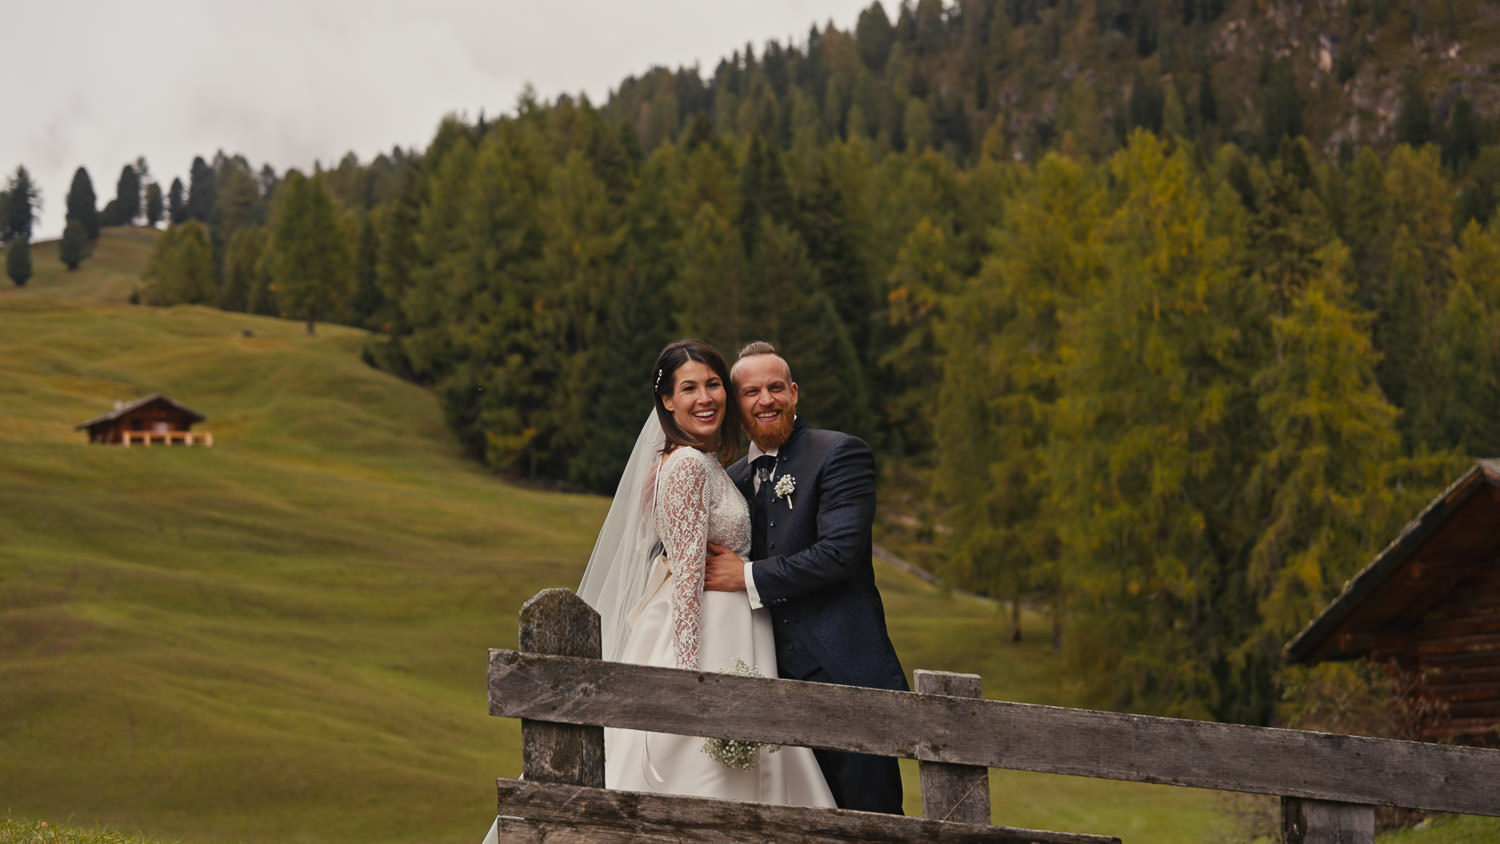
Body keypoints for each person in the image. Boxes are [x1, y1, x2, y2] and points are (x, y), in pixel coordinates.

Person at [565, 339, 834, 803]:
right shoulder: (688, 463)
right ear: (667, 401)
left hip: (733, 626)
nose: (705, 397)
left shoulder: (704, 462)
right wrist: (691, 681)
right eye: (689, 388)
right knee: (707, 772)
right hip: (709, 636)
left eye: (713, 384)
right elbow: (687, 576)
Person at [704, 341, 908, 815]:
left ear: (794, 393)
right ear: (737, 405)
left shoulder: (839, 453)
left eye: (776, 387)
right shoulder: (730, 481)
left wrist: (748, 576)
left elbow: (840, 554)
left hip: (848, 674)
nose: (766, 399)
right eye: (751, 391)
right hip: (772, 687)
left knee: (873, 821)